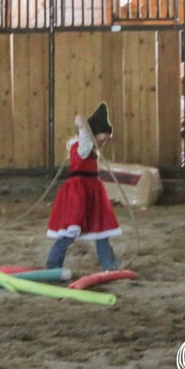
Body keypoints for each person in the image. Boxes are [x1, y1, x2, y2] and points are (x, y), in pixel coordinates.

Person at [45, 101, 122, 272]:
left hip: (91, 193)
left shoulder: (90, 149)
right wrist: (83, 126)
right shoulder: (83, 147)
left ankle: (109, 263)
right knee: (69, 232)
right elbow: (86, 138)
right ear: (94, 133)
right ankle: (53, 264)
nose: (105, 141)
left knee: (101, 230)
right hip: (79, 193)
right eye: (103, 137)